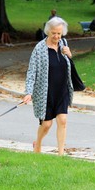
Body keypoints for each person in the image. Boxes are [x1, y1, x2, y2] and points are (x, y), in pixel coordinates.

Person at [23, 17, 73, 156]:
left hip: (62, 89)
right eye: (53, 33)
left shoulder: (63, 43)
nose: (57, 36)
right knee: (46, 124)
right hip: (45, 92)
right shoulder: (39, 48)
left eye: (59, 33)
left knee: (62, 120)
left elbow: (68, 63)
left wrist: (69, 54)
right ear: (48, 32)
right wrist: (28, 92)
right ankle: (37, 143)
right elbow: (32, 71)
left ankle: (61, 155)